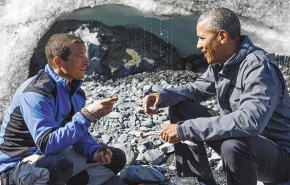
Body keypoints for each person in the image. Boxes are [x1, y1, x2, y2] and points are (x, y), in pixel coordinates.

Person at [142, 7, 290, 185]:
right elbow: (197, 89)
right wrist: (163, 96)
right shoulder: (222, 63)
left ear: (222, 36)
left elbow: (250, 122)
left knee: (233, 146)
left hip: (280, 159)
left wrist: (185, 130)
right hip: (244, 142)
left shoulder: (259, 68)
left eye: (202, 38)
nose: (198, 45)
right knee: (181, 108)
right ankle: (201, 181)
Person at [0, 33, 127, 185]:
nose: (87, 61)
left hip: (48, 158)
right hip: (15, 168)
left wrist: (94, 150)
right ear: (58, 61)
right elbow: (47, 144)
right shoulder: (36, 93)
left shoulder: (74, 91)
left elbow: (76, 134)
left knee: (115, 158)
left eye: (85, 55)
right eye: (80, 56)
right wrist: (86, 116)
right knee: (59, 165)